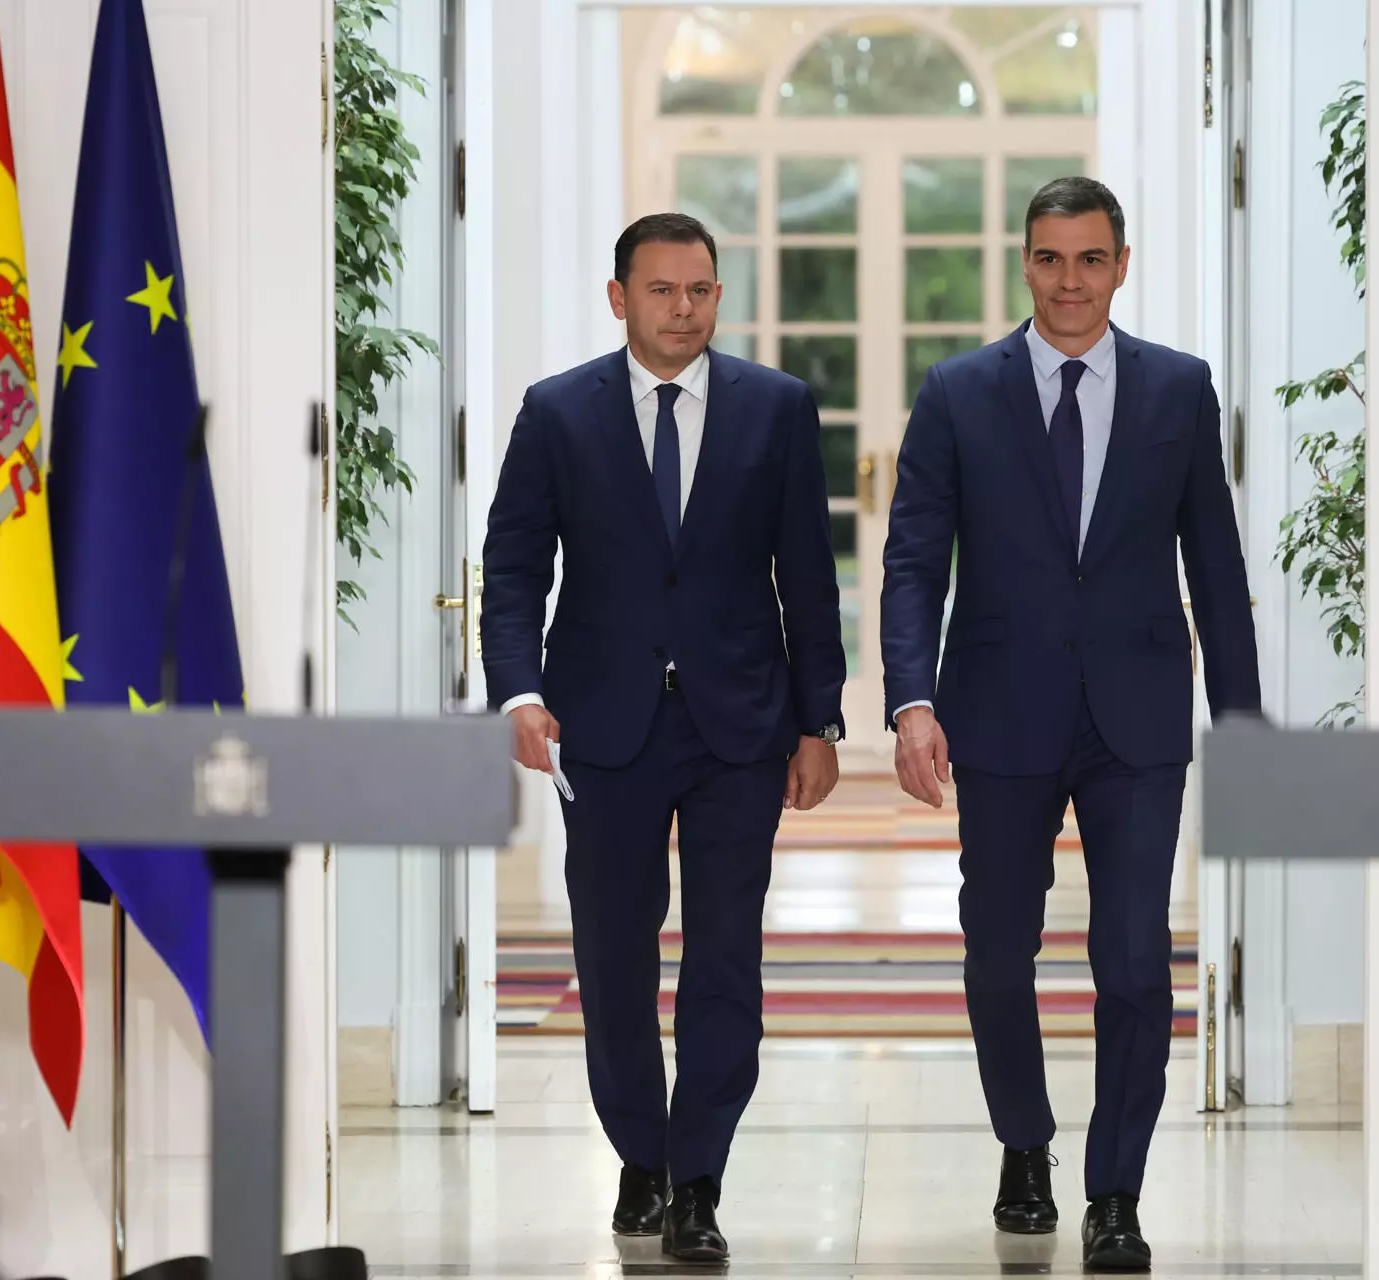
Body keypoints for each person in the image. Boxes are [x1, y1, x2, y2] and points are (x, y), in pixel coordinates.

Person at [879, 176, 1261, 1272]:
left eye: (1090, 259)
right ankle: (1023, 1142)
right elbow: (912, 561)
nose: (1070, 282)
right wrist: (912, 700)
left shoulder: (1179, 389)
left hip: (1137, 716)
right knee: (1000, 949)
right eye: (1050, 259)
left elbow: (1216, 562)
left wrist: (1238, 715)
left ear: (1120, 265)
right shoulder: (957, 392)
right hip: (997, 713)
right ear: (1025, 264)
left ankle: (1117, 1188)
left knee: (1134, 955)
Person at [481, 212, 847, 1263]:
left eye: (701, 291)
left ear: (718, 297)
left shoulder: (777, 409)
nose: (683, 310)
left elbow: (807, 579)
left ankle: (698, 1175)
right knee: (612, 951)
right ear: (618, 297)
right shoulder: (557, 413)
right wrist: (518, 693)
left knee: (727, 954)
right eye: (661, 291)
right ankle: (638, 1152)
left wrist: (818, 718)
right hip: (602, 724)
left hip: (740, 722)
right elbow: (514, 570)